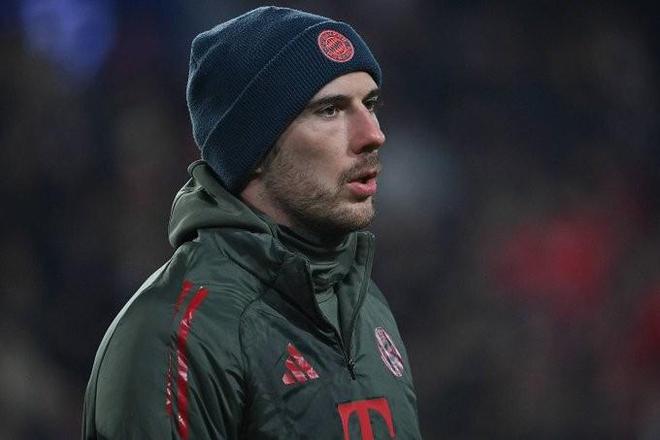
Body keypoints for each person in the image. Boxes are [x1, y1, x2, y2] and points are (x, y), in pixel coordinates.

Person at [83, 6, 421, 439]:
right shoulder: (175, 334)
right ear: (255, 147)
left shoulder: (365, 303)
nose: (373, 134)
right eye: (330, 110)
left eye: (369, 104)